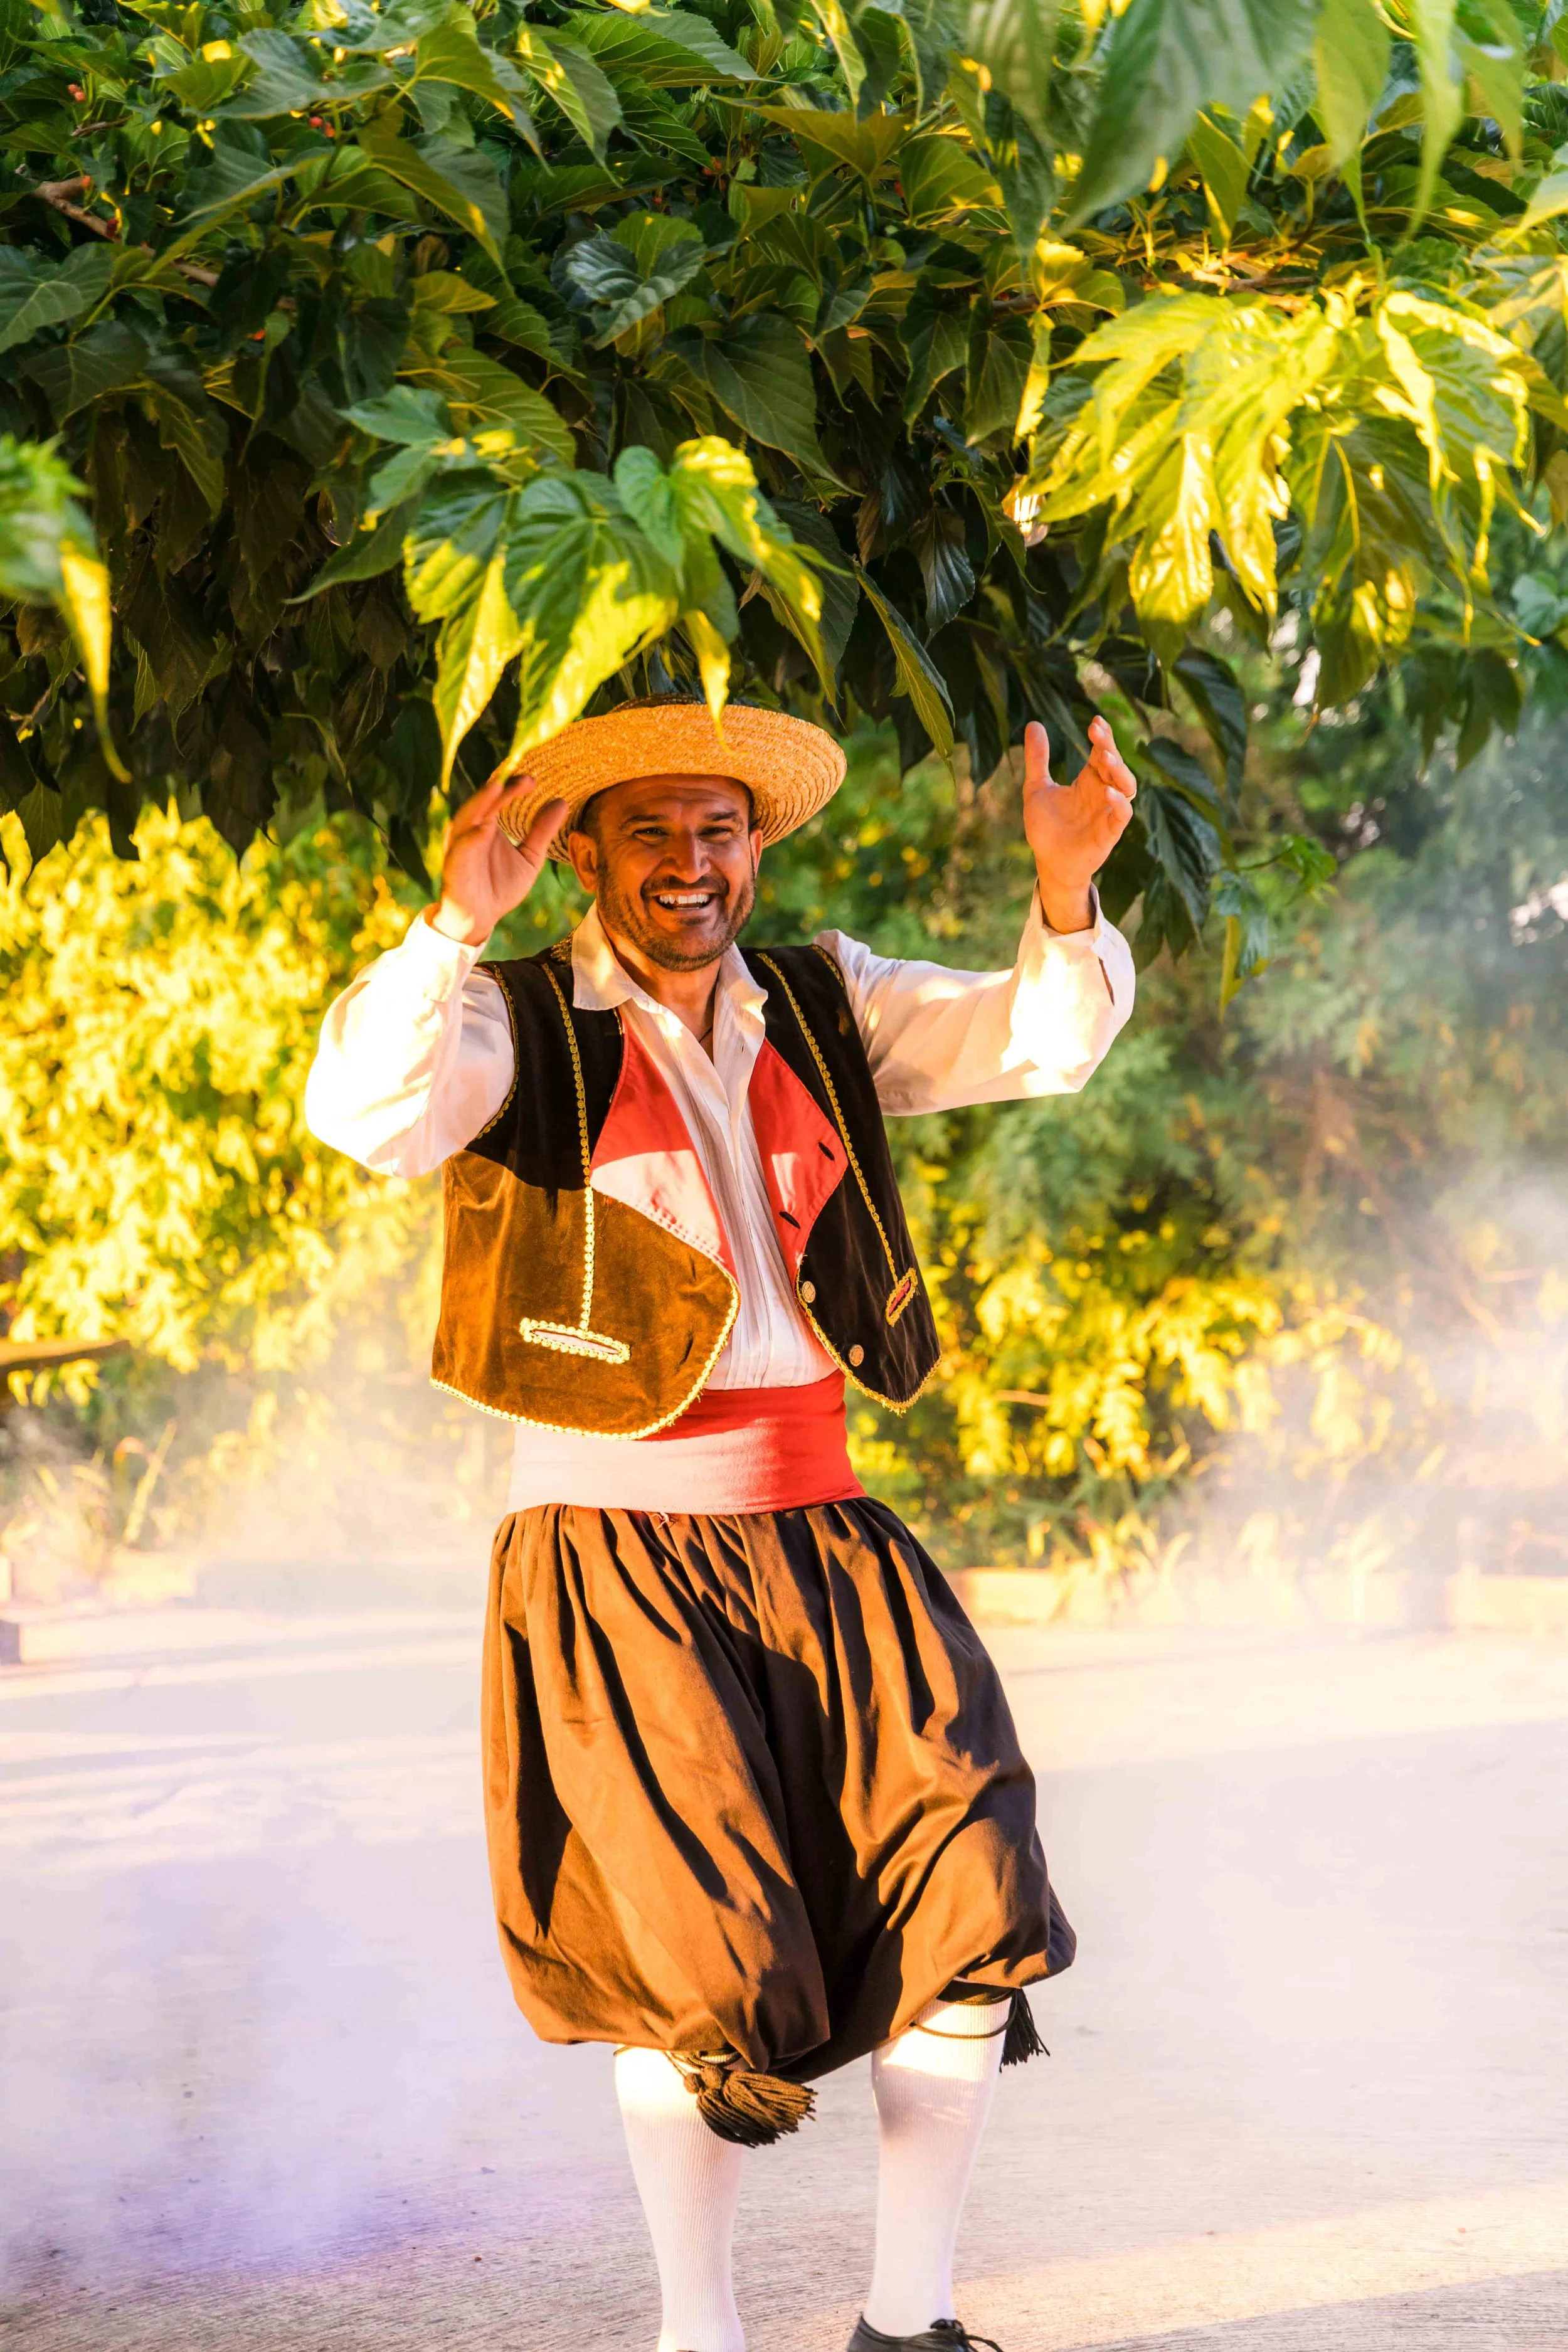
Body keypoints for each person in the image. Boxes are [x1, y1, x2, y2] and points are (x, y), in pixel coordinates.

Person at [305, 694, 1137, 2352]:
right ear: (586, 856)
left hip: (825, 1528)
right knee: (697, 1977)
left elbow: (1035, 1041)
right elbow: (364, 1115)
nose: (689, 864)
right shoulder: (503, 1019)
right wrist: (450, 917)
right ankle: (701, 2333)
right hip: (612, 1555)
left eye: (718, 830)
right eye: (650, 833)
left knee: (967, 1905)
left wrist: (1062, 891)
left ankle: (911, 2325)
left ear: (755, 843)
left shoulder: (828, 996)